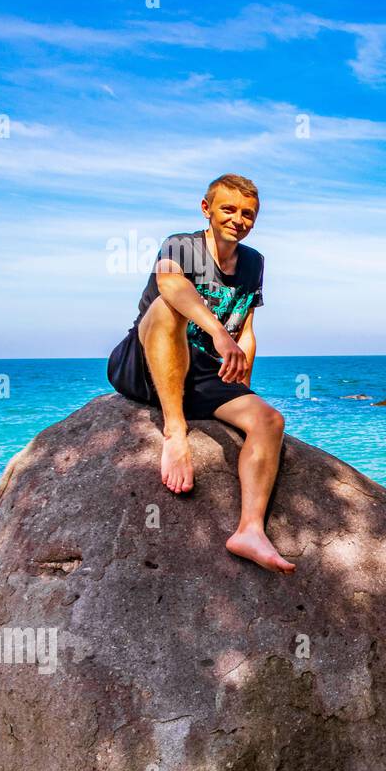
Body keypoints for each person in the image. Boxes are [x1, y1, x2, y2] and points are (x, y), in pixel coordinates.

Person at [107, 173, 295, 573]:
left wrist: (243, 387)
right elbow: (171, 285)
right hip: (145, 362)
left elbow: (245, 329)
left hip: (202, 371)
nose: (238, 219)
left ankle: (249, 531)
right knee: (165, 306)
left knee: (269, 421)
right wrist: (217, 334)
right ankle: (175, 433)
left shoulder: (253, 262)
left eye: (248, 213)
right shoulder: (182, 245)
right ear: (207, 209)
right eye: (228, 209)